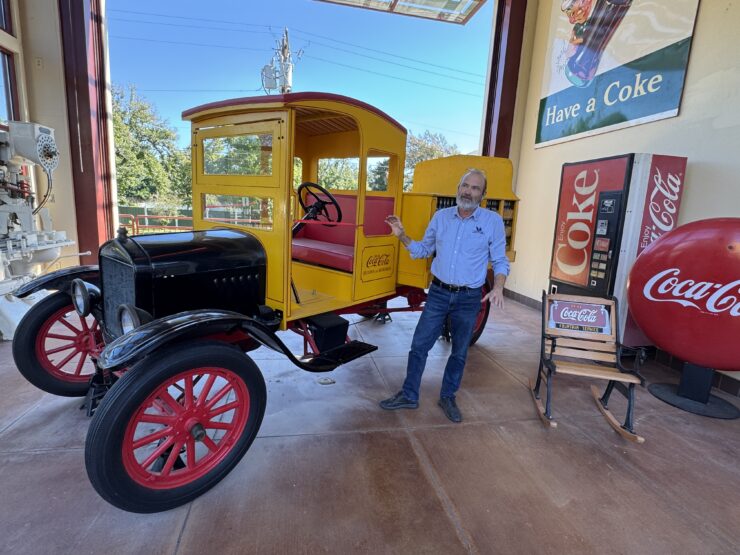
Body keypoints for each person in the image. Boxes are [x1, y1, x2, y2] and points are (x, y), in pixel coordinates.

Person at [379, 168, 509, 423]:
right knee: (419, 346)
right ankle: (409, 394)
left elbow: (500, 260)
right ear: (458, 188)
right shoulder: (441, 217)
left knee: (459, 351)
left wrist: (499, 287)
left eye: (474, 188)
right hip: (438, 293)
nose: (468, 191)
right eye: (465, 185)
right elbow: (422, 250)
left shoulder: (492, 221)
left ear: (483, 194)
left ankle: (448, 396)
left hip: (469, 297)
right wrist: (402, 236)